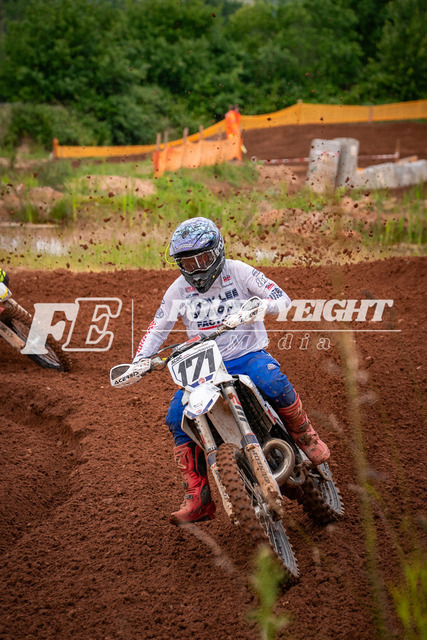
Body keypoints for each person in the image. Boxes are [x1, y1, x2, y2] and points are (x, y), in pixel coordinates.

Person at [113, 217, 330, 525]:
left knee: (270, 379)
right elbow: (158, 327)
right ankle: (198, 495)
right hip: (205, 367)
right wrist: (140, 361)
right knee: (176, 417)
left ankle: (305, 435)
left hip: (247, 355)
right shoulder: (178, 290)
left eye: (202, 259)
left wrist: (260, 306)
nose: (197, 268)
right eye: (188, 262)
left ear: (217, 252)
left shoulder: (238, 271)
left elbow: (280, 298)